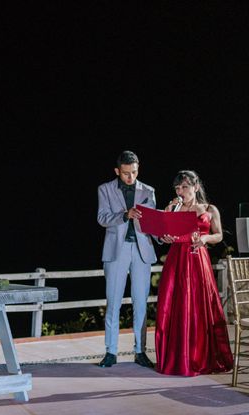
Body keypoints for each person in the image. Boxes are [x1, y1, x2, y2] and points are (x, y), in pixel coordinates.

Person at [155, 170, 233, 376]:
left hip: (198, 259)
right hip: (176, 260)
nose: (181, 191)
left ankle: (199, 356)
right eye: (178, 188)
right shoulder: (174, 208)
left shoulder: (209, 209)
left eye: (185, 187)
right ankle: (176, 358)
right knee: (174, 305)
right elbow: (162, 235)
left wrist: (205, 239)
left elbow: (217, 234)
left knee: (199, 306)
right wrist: (166, 232)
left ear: (196, 187)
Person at [97, 150, 157, 368]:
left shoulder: (149, 191)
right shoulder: (104, 189)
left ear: (138, 168)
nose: (130, 177)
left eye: (134, 172)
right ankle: (110, 352)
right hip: (117, 250)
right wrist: (124, 215)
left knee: (141, 304)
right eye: (125, 173)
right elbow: (102, 218)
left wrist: (164, 234)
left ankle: (140, 351)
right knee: (113, 302)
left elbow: (153, 224)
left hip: (142, 250)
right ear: (117, 171)